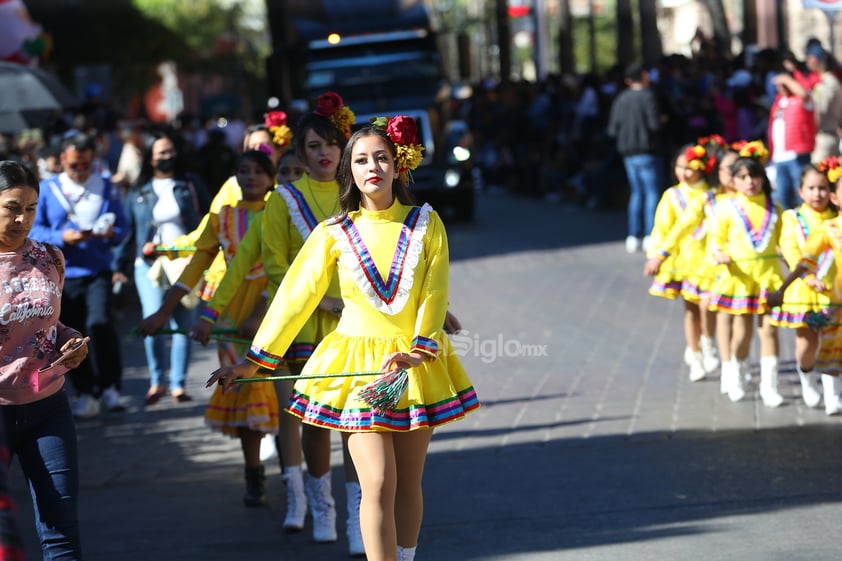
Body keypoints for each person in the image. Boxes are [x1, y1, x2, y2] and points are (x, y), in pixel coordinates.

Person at [206, 115, 480, 561]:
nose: (372, 167)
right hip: (354, 367)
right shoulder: (333, 232)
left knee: (408, 483)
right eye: (361, 159)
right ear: (348, 170)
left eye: (381, 158)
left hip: (413, 363)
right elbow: (293, 300)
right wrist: (251, 364)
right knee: (375, 482)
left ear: (398, 164)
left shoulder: (426, 223)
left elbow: (434, 293)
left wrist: (418, 349)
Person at [190, 95, 366, 555]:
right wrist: (321, 300)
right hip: (302, 326)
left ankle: (356, 513)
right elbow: (273, 267)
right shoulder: (286, 199)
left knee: (354, 422)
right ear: (300, 154)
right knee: (308, 419)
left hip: (353, 325)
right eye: (314, 146)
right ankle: (314, 502)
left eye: (331, 144)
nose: (324, 153)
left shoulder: (362, 196)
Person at [138, 149, 278, 507]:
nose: (250, 178)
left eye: (258, 171)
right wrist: (161, 312)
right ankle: (254, 473)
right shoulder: (223, 217)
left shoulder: (280, 211)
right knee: (243, 387)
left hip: (276, 306)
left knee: (280, 392)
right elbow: (195, 267)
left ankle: (300, 474)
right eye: (243, 171)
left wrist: (262, 312)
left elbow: (289, 269)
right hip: (229, 313)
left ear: (270, 177)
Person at [0, 160, 91, 560]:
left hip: (48, 408)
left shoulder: (50, 258)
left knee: (61, 528)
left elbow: (49, 323)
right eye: (11, 207)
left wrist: (71, 342)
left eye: (32, 208)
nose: (22, 218)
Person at [29, 132, 129, 418]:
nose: (80, 170)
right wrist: (63, 236)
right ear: (63, 160)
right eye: (74, 165)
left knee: (100, 324)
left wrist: (112, 233)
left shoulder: (106, 188)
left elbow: (123, 227)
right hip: (62, 274)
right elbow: (35, 230)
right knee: (70, 335)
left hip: (98, 270)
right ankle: (86, 390)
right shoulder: (48, 189)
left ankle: (110, 387)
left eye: (85, 165)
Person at [115, 131, 210, 405]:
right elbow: (129, 230)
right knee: (152, 317)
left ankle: (178, 384)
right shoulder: (139, 189)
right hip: (148, 264)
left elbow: (210, 217)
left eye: (170, 151)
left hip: (185, 262)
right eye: (160, 153)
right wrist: (119, 265)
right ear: (150, 157)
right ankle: (157, 381)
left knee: (184, 324)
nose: (166, 157)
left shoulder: (189, 183)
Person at [707, 147, 785, 406]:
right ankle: (736, 373)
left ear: (762, 177)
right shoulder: (726, 207)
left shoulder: (775, 207)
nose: (749, 182)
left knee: (770, 332)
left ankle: (769, 386)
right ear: (733, 180)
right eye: (742, 177)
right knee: (742, 334)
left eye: (754, 176)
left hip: (768, 277)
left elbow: (786, 241)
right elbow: (715, 239)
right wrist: (718, 253)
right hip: (740, 278)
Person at [768, 156, 842, 415]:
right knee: (807, 344)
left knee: (833, 342)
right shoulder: (793, 218)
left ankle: (833, 394)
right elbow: (790, 250)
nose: (817, 194)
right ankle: (807, 378)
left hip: (833, 292)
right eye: (811, 188)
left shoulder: (836, 220)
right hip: (806, 291)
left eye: (823, 188)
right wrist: (808, 278)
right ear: (800, 191)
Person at [643, 142, 718, 381]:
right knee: (691, 310)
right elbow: (662, 228)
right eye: (680, 167)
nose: (684, 173)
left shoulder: (712, 194)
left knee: (708, 306)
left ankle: (707, 342)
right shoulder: (672, 195)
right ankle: (695, 355)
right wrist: (656, 254)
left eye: (690, 167)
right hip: (682, 260)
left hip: (707, 260)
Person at [607, 62, 664, 254]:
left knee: (637, 192)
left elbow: (612, 129)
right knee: (651, 193)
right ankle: (650, 234)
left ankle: (633, 234)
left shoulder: (621, 99)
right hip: (647, 151)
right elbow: (654, 125)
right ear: (643, 76)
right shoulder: (648, 97)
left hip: (627, 153)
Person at [768, 72, 816, 210]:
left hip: (797, 155)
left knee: (802, 195)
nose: (781, 87)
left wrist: (787, 79)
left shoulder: (801, 100)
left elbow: (804, 94)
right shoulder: (778, 103)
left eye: (785, 84)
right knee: (782, 197)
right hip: (779, 156)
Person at [804, 43, 842, 162]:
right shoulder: (822, 82)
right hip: (821, 135)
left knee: (817, 174)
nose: (808, 61)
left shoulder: (829, 83)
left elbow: (821, 110)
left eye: (811, 57)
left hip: (825, 135)